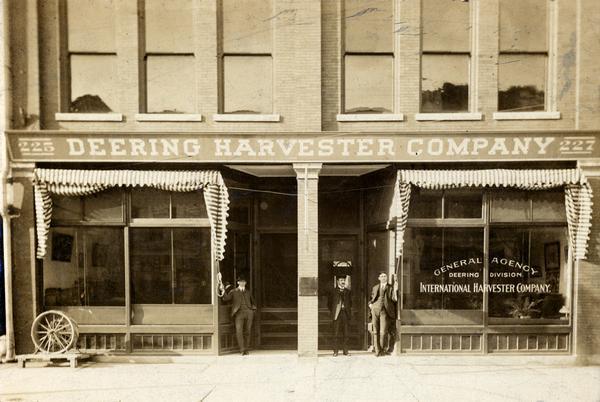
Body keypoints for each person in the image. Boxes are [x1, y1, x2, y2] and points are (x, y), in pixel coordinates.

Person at [221, 275, 256, 355]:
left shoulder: (248, 292)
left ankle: (246, 349)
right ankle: (242, 350)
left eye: (244, 282)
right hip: (239, 314)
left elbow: (253, 303)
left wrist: (252, 310)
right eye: (240, 282)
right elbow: (226, 298)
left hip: (249, 313)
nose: (242, 283)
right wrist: (222, 290)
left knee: (248, 331)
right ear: (238, 283)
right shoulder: (233, 291)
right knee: (239, 331)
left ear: (245, 283)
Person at [368, 272, 397, 356]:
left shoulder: (390, 287)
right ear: (379, 278)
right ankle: (377, 351)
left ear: (387, 278)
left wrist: (395, 288)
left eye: (385, 276)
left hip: (385, 311)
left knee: (383, 331)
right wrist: (370, 305)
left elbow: (394, 299)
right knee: (375, 331)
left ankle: (382, 349)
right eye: (382, 276)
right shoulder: (375, 287)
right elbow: (371, 298)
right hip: (375, 310)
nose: (383, 277)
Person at [328, 276, 352, 356]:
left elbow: (350, 303)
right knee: (336, 333)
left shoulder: (348, 291)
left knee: (346, 333)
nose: (343, 281)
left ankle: (346, 351)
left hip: (345, 314)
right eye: (341, 280)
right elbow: (329, 304)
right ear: (338, 281)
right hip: (336, 315)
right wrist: (334, 311)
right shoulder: (333, 291)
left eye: (344, 280)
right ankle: (335, 351)